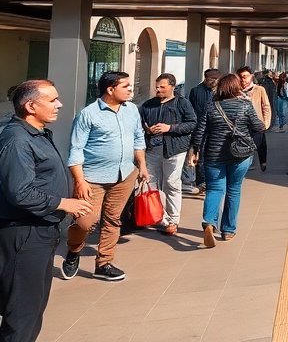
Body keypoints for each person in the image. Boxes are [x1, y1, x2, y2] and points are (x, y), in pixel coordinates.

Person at [0, 81, 93, 342]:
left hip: (42, 232)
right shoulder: (16, 139)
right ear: (31, 106)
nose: (59, 105)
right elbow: (19, 191)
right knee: (21, 314)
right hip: (24, 234)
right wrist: (63, 203)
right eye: (52, 100)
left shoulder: (37, 133)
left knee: (33, 308)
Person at [62, 71, 147, 282]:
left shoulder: (132, 110)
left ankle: (104, 263)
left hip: (125, 175)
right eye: (125, 86)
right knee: (85, 222)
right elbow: (76, 150)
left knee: (113, 220)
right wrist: (79, 180)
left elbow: (138, 139)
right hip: (92, 179)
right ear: (110, 89)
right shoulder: (88, 114)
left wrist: (142, 166)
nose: (130, 89)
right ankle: (73, 251)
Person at [190, 73, 265, 247]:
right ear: (236, 87)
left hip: (213, 155)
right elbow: (259, 127)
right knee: (234, 190)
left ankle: (209, 222)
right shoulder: (245, 106)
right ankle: (228, 230)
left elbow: (200, 130)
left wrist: (195, 150)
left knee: (215, 189)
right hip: (240, 155)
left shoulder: (211, 107)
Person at [138, 73, 197, 236]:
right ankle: (159, 216)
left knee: (172, 182)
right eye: (157, 86)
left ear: (172, 86)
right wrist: (147, 129)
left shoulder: (182, 103)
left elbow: (192, 124)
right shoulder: (148, 105)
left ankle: (173, 219)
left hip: (175, 149)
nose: (158, 89)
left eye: (162, 87)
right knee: (151, 182)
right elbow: (138, 123)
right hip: (152, 148)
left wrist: (169, 128)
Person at [184, 69, 220, 194]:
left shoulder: (219, 91)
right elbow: (193, 111)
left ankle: (209, 181)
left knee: (211, 155)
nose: (215, 81)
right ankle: (202, 182)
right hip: (200, 128)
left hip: (214, 129)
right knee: (199, 155)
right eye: (212, 79)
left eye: (217, 79)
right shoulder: (196, 91)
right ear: (206, 78)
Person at [237, 66, 272, 172]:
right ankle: (247, 162)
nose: (243, 79)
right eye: (240, 77)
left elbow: (266, 106)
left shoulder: (259, 89)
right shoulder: (237, 90)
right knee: (246, 144)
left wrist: (265, 123)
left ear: (251, 76)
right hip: (242, 125)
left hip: (257, 123)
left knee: (260, 144)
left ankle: (263, 161)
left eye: (245, 76)